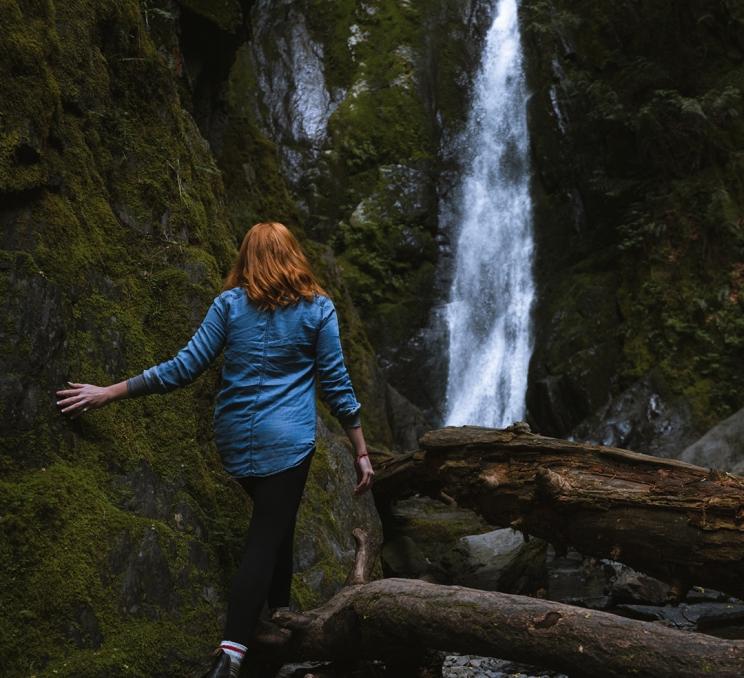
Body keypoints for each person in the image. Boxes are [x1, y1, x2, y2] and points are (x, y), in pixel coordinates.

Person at [56, 221, 375, 678]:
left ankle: (278, 620)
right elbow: (338, 387)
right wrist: (361, 451)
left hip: (235, 438)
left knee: (277, 523)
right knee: (265, 538)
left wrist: (110, 391)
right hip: (287, 442)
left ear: (247, 257)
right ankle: (232, 654)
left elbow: (184, 367)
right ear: (293, 256)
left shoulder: (229, 305)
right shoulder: (317, 310)